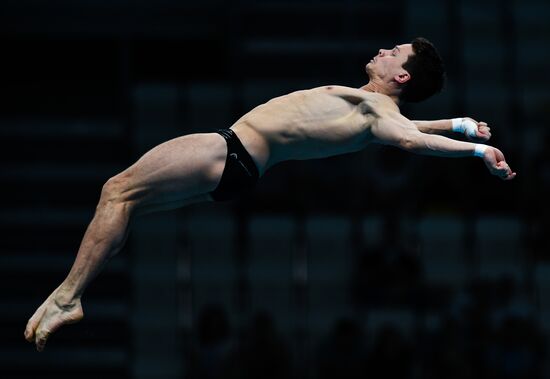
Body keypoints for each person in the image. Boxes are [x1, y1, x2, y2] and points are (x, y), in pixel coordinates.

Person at [24, 37, 516, 352]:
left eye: (395, 52)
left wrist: (474, 152)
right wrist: (462, 124)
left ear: (401, 76)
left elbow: (408, 138)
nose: (384, 50)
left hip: (229, 152)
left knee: (117, 190)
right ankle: (71, 295)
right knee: (126, 203)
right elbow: (409, 126)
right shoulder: (371, 110)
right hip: (237, 167)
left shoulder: (377, 112)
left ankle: (68, 297)